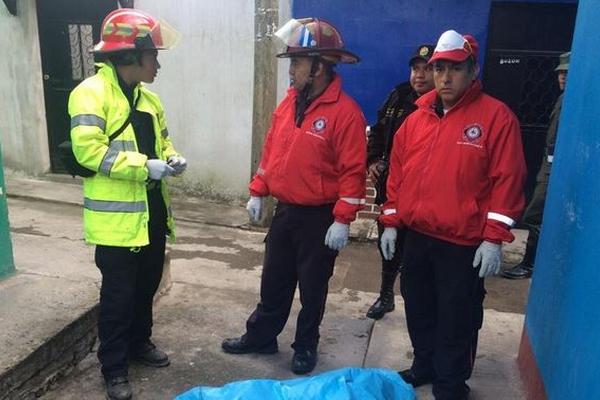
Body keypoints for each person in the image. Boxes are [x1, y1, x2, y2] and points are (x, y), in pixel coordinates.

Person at [379, 30, 526, 400]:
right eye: (438, 68)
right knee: (418, 306)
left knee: (456, 318)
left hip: (462, 245)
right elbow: (398, 174)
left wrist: (494, 238)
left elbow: (507, 180)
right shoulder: (416, 119)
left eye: (454, 68)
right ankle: (424, 364)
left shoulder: (496, 118)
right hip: (418, 237)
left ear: (472, 70)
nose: (445, 77)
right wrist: (392, 221)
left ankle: (450, 382)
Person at [221, 18, 366, 375]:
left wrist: (343, 219)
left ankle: (305, 346)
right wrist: (258, 191)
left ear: (318, 67)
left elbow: (353, 172)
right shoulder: (289, 104)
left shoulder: (345, 113)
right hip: (286, 212)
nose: (292, 70)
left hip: (319, 218)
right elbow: (272, 152)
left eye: (297, 62)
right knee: (274, 279)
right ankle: (262, 336)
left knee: (312, 289)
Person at [68, 9, 185, 400]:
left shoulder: (149, 99)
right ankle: (114, 368)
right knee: (118, 299)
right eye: (153, 55)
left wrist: (171, 158)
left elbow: (162, 143)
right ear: (130, 55)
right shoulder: (89, 94)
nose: (158, 64)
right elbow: (90, 153)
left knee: (147, 286)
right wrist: (143, 166)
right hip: (116, 223)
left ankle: (140, 344)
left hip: (151, 215)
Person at [366, 44, 435, 320]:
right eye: (415, 69)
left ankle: (419, 304)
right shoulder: (399, 95)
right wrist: (372, 160)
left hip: (423, 195)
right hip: (392, 190)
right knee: (388, 245)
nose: (419, 75)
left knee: (416, 254)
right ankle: (385, 296)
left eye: (427, 69)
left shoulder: (440, 106)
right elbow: (378, 129)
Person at [502, 51, 570, 279]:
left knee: (534, 215)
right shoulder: (563, 99)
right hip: (548, 166)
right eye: (560, 72)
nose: (562, 76)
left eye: (567, 72)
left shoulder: (574, 101)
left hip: (557, 170)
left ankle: (532, 264)